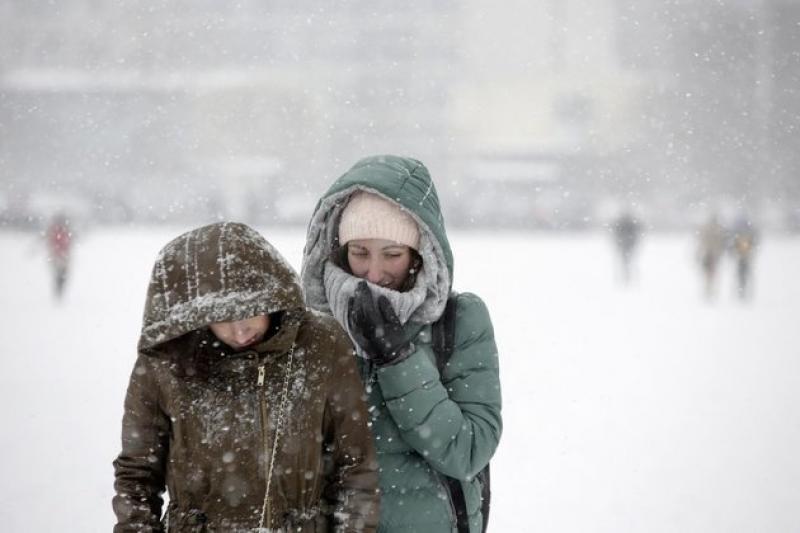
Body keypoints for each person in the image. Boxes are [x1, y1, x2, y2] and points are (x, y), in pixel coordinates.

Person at [113, 222, 379, 532]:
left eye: (251, 310)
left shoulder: (322, 346)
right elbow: (137, 477)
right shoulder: (165, 364)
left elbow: (355, 468)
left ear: (273, 298)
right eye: (222, 318)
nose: (240, 330)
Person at [300, 155, 502, 533]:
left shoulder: (459, 320)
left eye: (391, 254)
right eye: (359, 253)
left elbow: (468, 450)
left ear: (418, 253)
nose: (373, 272)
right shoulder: (313, 324)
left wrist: (397, 359)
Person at [696, 213, 727, 301]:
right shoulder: (718, 229)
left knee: (709, 273)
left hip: (710, 254)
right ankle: (710, 290)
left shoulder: (707, 228)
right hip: (713, 254)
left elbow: (701, 241)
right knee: (712, 273)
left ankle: (709, 290)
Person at [729, 212, 758, 300]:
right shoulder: (739, 233)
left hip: (745, 257)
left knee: (744, 275)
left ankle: (743, 291)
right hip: (741, 257)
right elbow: (733, 244)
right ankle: (741, 291)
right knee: (741, 275)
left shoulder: (747, 233)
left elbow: (754, 243)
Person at [611, 209, 642, 284]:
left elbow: (617, 235)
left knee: (626, 261)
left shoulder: (623, 224)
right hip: (626, 245)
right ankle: (627, 276)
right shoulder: (629, 224)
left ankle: (627, 276)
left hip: (626, 245)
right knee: (627, 261)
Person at [46, 213, 72, 299]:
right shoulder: (56, 231)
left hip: (62, 256)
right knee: (59, 274)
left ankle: (59, 289)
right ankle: (58, 289)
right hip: (58, 256)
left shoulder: (64, 231)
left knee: (62, 274)